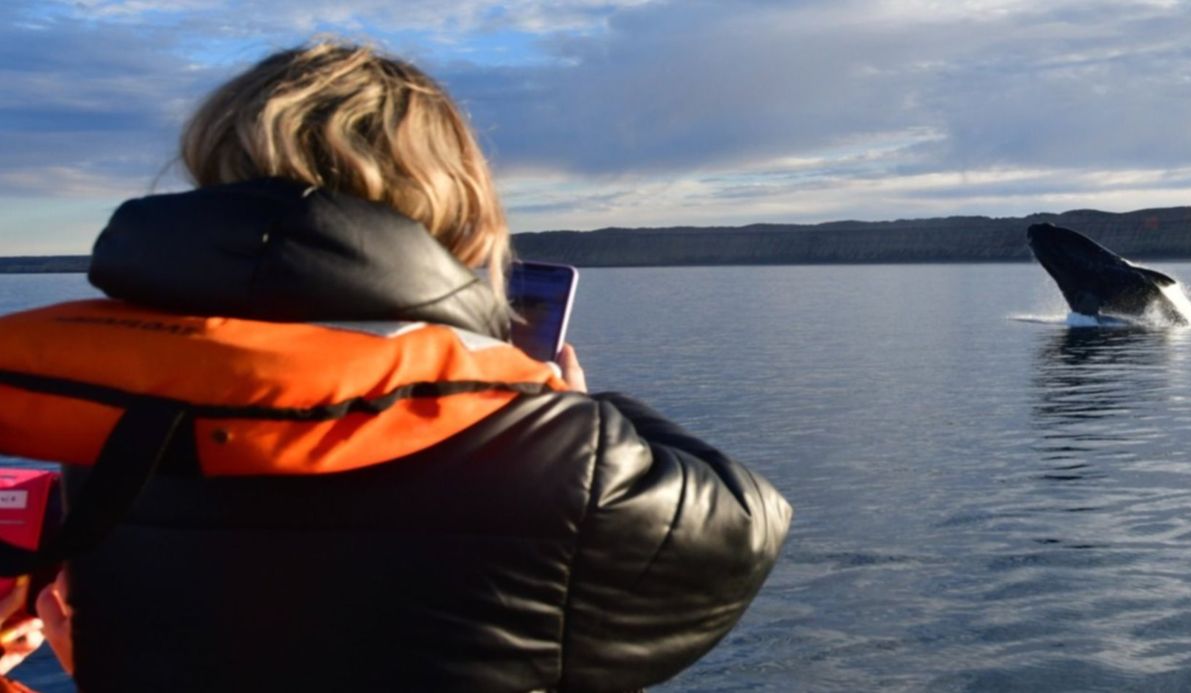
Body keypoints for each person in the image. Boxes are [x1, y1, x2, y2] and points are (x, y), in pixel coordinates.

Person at [0, 41, 790, 692]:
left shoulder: (109, 417)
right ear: (455, 203)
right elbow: (744, 525)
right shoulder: (565, 460)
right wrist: (558, 402)